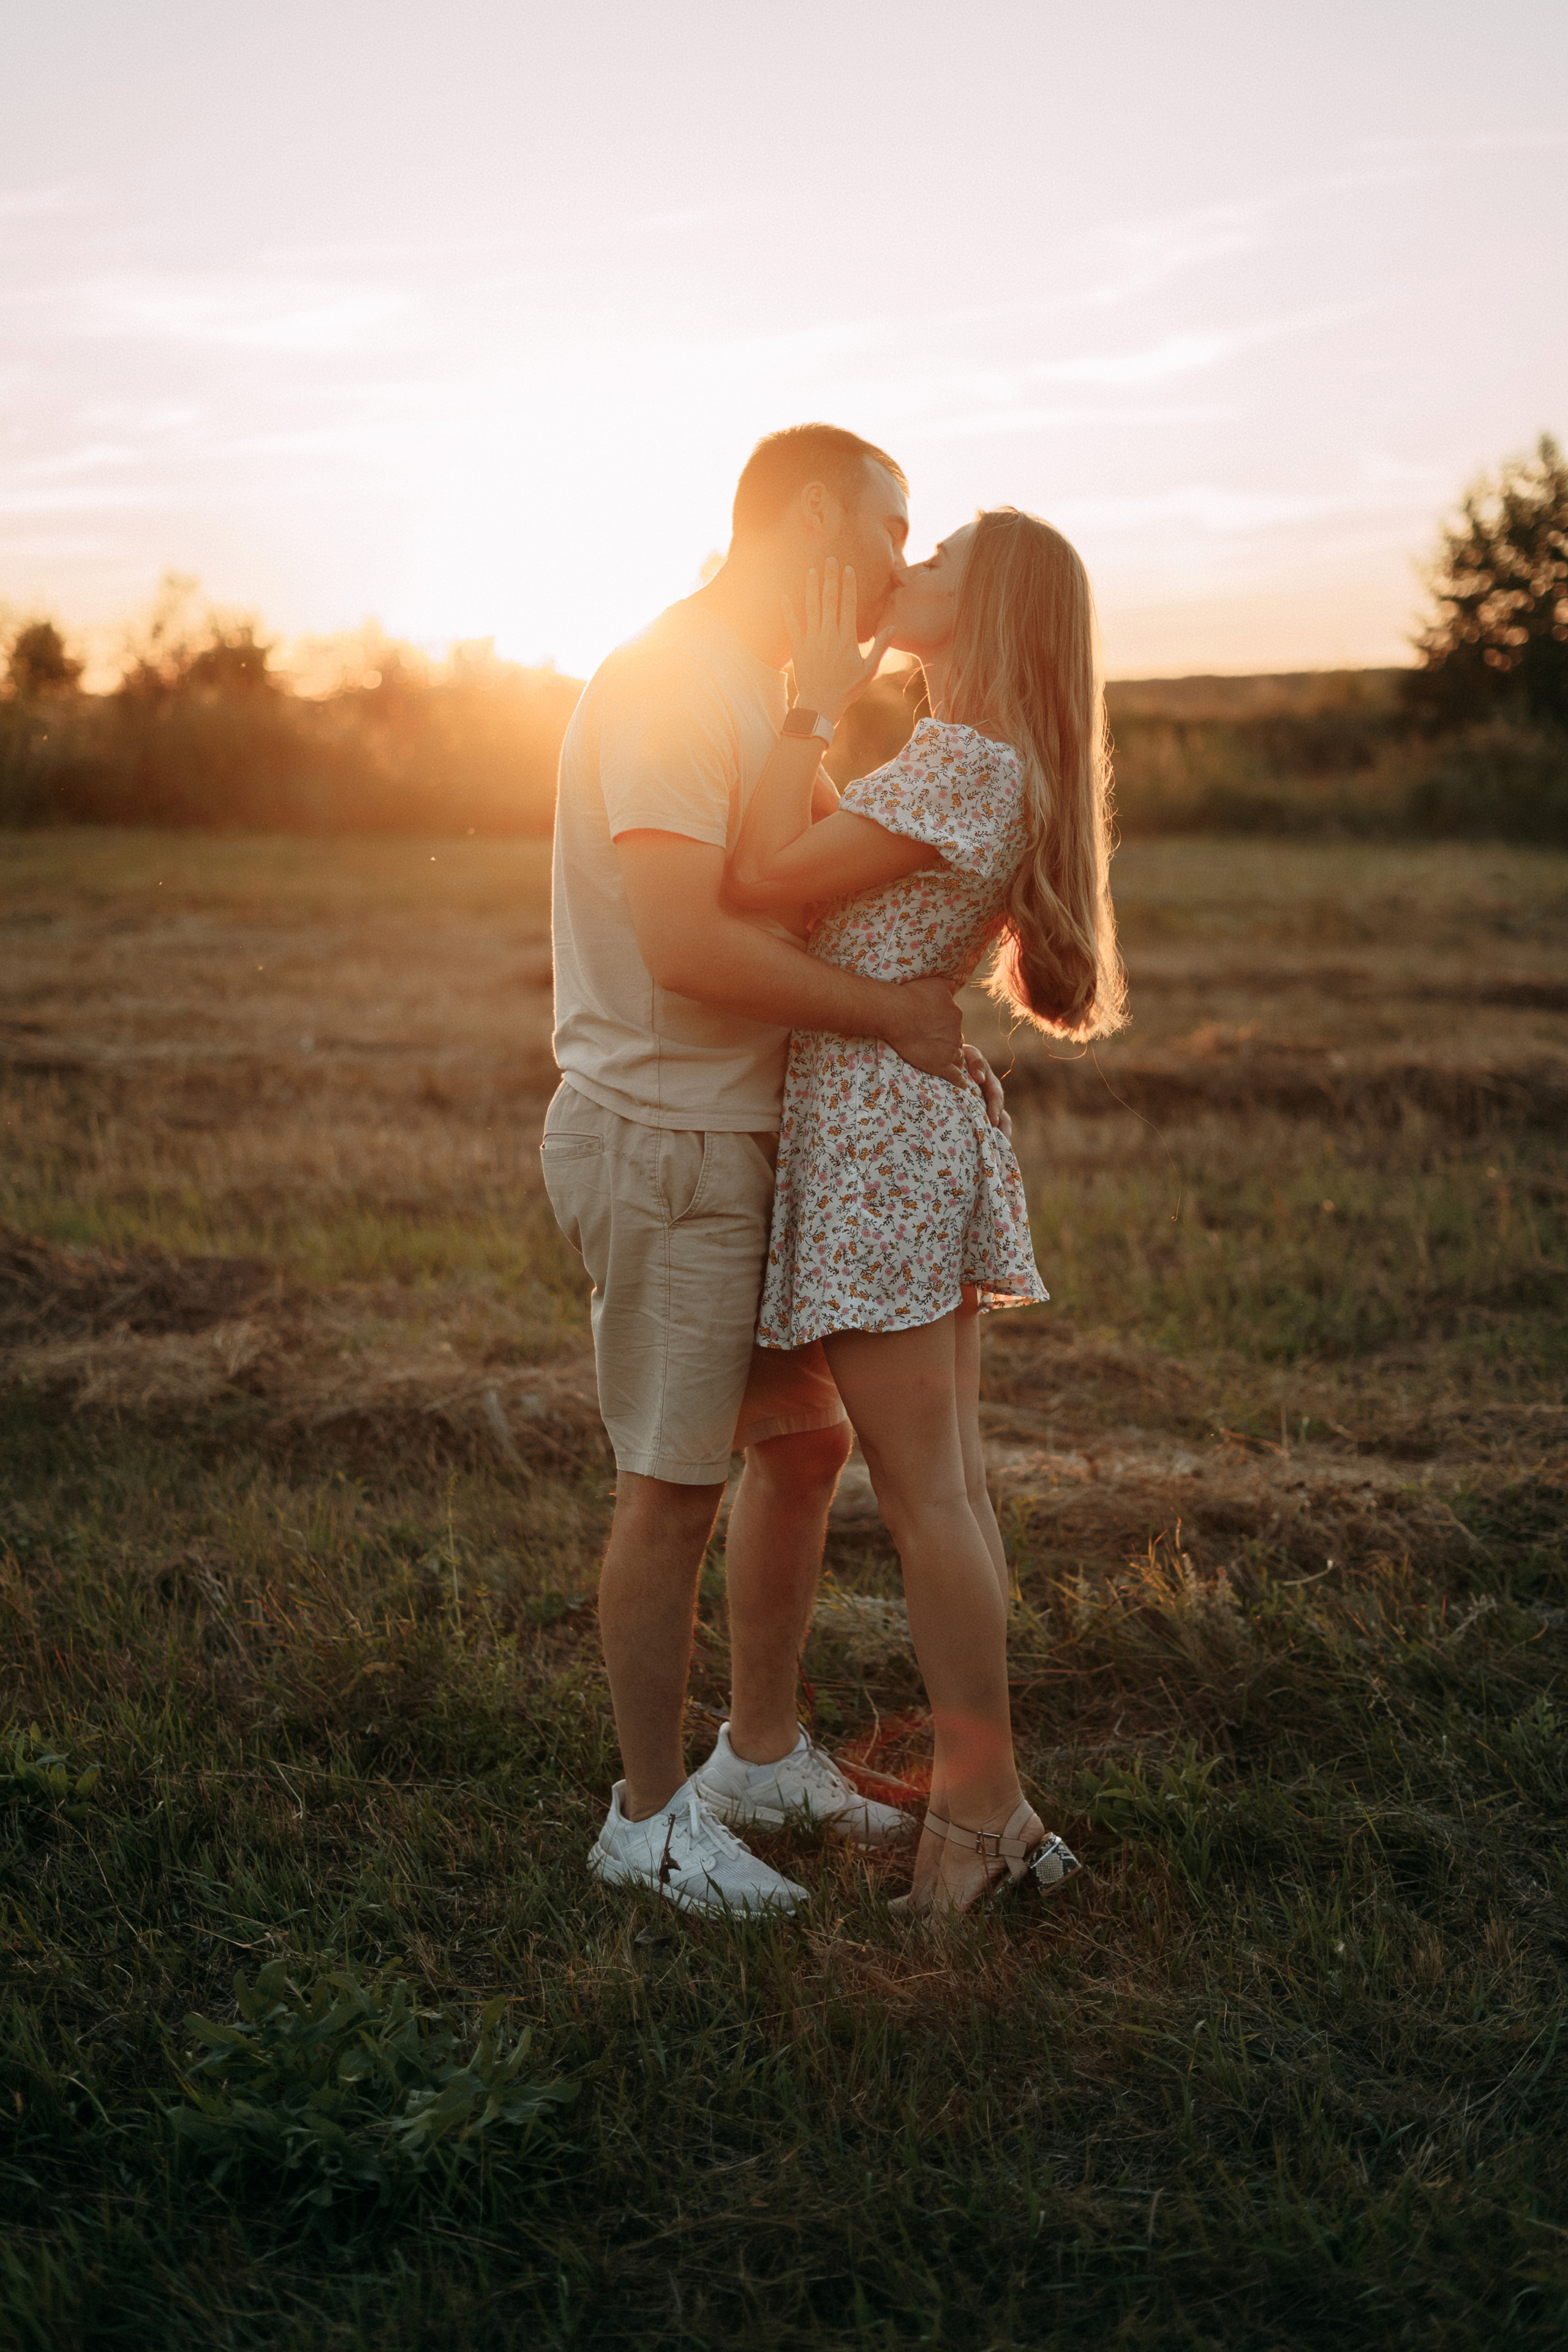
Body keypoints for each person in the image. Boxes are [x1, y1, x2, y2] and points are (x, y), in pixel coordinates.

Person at [541, 424, 1009, 1917]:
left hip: (739, 1139)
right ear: (814, 517)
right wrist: (893, 1019)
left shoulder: (768, 688)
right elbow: (692, 937)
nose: (897, 554)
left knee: (801, 1450)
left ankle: (757, 1752)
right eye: (891, 522)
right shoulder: (677, 680)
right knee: (673, 1486)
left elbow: (812, 883)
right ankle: (646, 1816)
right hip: (666, 1136)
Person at [725, 508, 1128, 1916]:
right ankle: (997, 1808)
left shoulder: (961, 758)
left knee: (927, 1500)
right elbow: (840, 877)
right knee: (946, 1492)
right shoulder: (973, 759)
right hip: (908, 1133)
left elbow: (760, 882)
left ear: (992, 608)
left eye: (937, 561)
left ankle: (974, 1819)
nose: (905, 571)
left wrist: (802, 715)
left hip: (880, 1139)